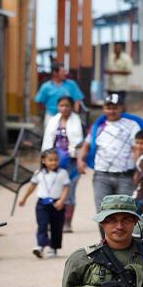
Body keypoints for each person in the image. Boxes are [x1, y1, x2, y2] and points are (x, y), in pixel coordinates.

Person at [78, 93, 143, 213]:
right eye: (108, 108)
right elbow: (87, 144)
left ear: (121, 108)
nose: (111, 111)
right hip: (101, 176)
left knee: (126, 211)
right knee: (103, 212)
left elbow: (136, 149)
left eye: (115, 108)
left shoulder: (132, 125)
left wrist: (138, 170)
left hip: (125, 176)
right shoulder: (98, 126)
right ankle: (104, 233)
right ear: (104, 109)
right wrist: (80, 160)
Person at [42, 95, 85, 233]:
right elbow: (47, 140)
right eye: (61, 105)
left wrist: (79, 160)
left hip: (71, 162)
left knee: (70, 192)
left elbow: (80, 143)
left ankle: (67, 222)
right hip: (55, 162)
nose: (64, 108)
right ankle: (53, 221)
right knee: (53, 191)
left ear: (71, 107)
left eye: (67, 105)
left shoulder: (77, 121)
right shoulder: (53, 121)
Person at [19, 149, 71, 259]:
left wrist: (62, 201)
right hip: (42, 204)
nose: (53, 162)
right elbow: (31, 187)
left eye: (56, 160)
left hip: (57, 203)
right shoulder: (38, 174)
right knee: (42, 225)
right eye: (50, 160)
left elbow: (66, 188)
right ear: (43, 161)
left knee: (56, 227)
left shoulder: (63, 173)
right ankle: (40, 246)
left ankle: (54, 247)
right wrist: (24, 198)